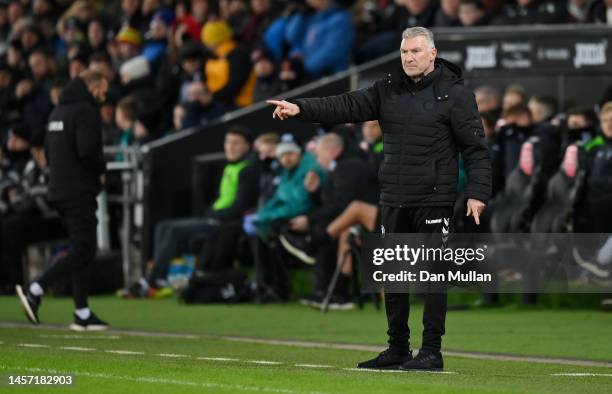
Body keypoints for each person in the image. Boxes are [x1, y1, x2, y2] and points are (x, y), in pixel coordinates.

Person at [267, 27, 491, 371]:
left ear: (432, 54)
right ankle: (397, 348)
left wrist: (477, 192)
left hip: (434, 197)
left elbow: (475, 148)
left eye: (415, 51)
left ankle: (431, 351)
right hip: (394, 197)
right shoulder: (388, 89)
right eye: (404, 52)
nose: (409, 58)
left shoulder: (455, 94)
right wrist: (300, 108)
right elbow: (345, 105)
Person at [16, 70, 109, 331]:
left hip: (59, 190)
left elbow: (48, 152)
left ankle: (82, 312)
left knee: (82, 249)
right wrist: (102, 170)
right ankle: (35, 289)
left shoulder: (57, 113)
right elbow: (88, 151)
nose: (105, 93)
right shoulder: (85, 112)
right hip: (78, 190)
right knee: (83, 250)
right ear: (93, 86)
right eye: (103, 87)